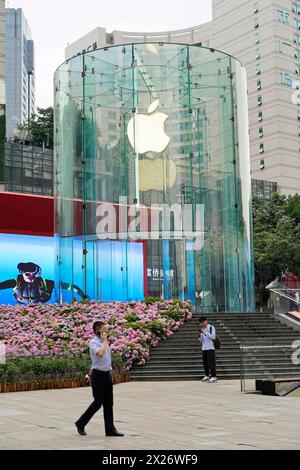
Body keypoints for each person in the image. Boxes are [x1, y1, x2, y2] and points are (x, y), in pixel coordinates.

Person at [75, 321, 124, 437]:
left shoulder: (103, 342)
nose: (105, 331)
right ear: (97, 331)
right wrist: (104, 342)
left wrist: (104, 342)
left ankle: (110, 429)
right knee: (97, 402)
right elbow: (100, 354)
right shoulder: (94, 343)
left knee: (108, 403)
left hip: (107, 374)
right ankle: (80, 423)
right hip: (98, 376)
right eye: (103, 329)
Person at [0, 262, 85, 305]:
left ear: (37, 273)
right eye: (23, 270)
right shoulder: (15, 282)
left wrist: (84, 297)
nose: (26, 273)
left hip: (40, 306)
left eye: (30, 271)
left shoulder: (47, 283)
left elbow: (72, 287)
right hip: (21, 305)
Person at [199, 315, 218, 383]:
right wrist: (200, 335)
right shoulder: (202, 329)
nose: (202, 324)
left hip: (210, 347)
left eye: (203, 322)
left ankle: (213, 376)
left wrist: (205, 333)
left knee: (211, 363)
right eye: (201, 323)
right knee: (205, 363)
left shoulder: (211, 327)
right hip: (204, 348)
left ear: (206, 321)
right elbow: (201, 340)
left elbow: (213, 337)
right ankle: (206, 375)